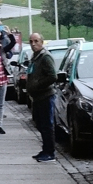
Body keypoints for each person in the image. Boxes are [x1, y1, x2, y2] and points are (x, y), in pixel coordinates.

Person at [26, 33, 57, 162]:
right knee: (39, 123)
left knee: (46, 125)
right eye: (31, 41)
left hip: (45, 95)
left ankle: (50, 152)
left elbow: (52, 76)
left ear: (41, 42)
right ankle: (45, 149)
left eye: (36, 41)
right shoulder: (35, 57)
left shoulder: (45, 57)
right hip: (37, 97)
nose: (33, 44)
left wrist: (38, 85)